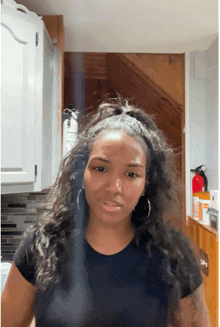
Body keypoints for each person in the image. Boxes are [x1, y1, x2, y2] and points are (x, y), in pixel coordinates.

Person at [2, 99, 212, 327]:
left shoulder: (174, 258)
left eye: (131, 174)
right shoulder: (40, 248)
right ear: (82, 172)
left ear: (147, 183)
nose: (114, 188)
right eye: (100, 168)